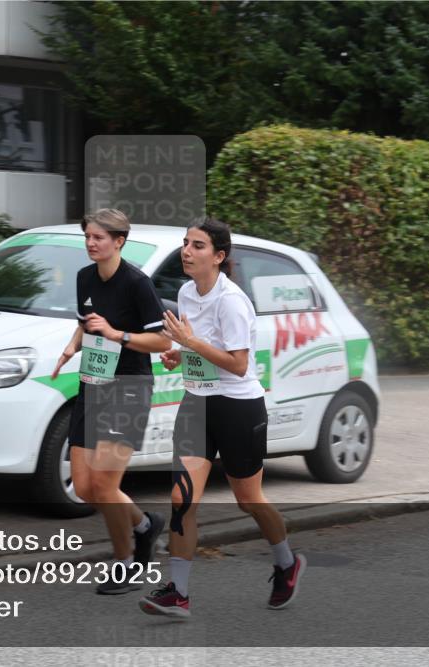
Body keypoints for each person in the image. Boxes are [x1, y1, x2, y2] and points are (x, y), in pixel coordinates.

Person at [138, 217, 306, 618]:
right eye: (185, 243)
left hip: (237, 408)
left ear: (219, 256)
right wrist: (181, 353)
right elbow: (202, 347)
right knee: (182, 499)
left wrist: (189, 342)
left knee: (248, 501)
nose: (187, 251)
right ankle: (177, 592)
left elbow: (236, 363)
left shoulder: (232, 301)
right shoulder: (186, 292)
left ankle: (286, 563)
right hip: (197, 403)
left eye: (197, 245)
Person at [51, 208, 171, 594]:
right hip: (93, 384)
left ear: (119, 241)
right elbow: (86, 321)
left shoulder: (138, 284)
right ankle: (145, 525)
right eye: (87, 236)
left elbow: (163, 341)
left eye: (99, 237)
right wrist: (71, 347)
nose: (90, 243)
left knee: (105, 483)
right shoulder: (85, 277)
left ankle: (125, 563)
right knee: (85, 487)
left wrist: (118, 334)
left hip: (129, 387)